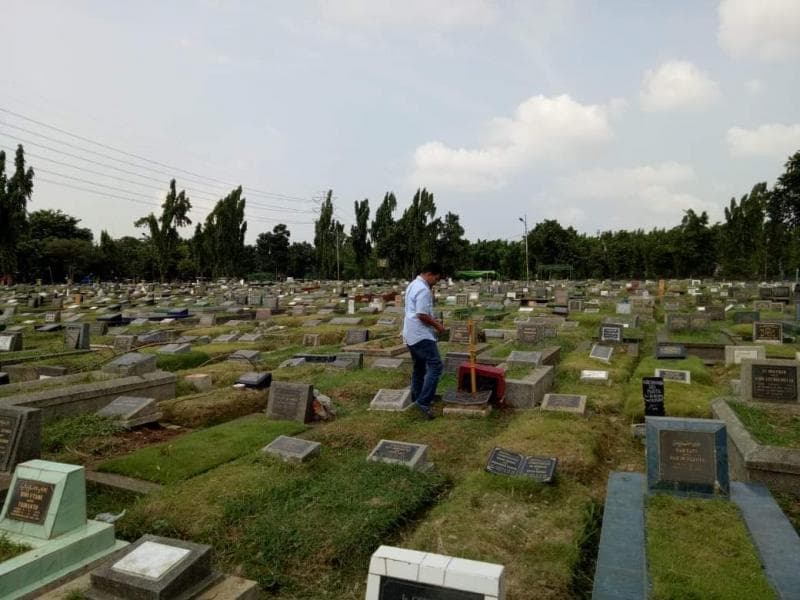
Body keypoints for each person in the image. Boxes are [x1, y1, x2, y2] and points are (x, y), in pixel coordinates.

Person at [402, 262, 445, 419]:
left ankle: (416, 398)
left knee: (419, 367)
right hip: (421, 335)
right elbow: (421, 314)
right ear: (430, 274)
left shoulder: (413, 284)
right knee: (436, 366)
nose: (436, 282)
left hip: (410, 333)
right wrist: (438, 325)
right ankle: (424, 402)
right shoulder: (423, 289)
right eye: (436, 279)